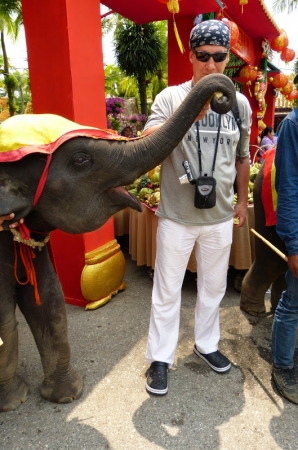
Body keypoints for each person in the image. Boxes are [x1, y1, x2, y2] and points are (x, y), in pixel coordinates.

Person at [142, 19, 252, 396]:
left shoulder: (239, 104)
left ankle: (206, 345)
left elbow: (242, 159)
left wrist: (242, 201)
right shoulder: (171, 98)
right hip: (176, 215)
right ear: (190, 56)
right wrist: (187, 113)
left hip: (220, 217)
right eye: (202, 56)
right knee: (167, 289)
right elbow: (146, 140)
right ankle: (160, 357)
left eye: (219, 57)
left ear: (227, 59)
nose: (211, 65)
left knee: (213, 287)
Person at [271, 107, 298, 404]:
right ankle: (283, 366)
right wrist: (294, 245)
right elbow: (288, 187)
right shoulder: (293, 125)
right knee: (293, 302)